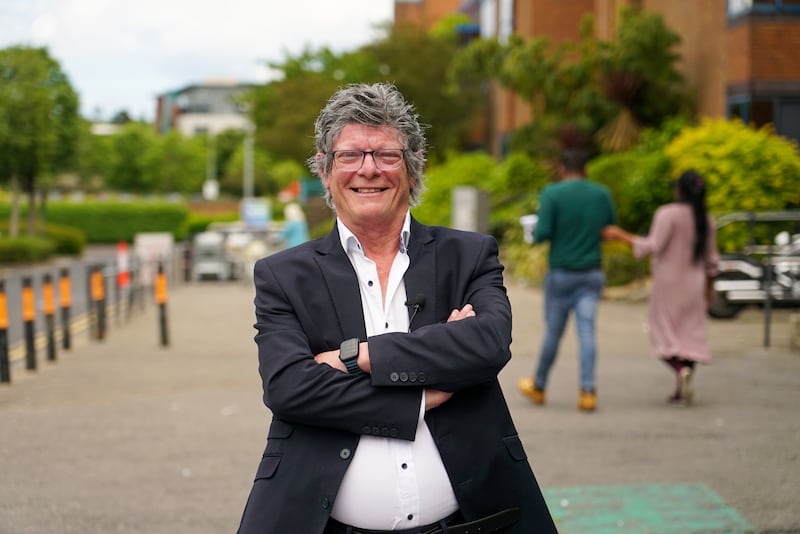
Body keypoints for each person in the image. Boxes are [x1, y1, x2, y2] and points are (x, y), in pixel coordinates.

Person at [237, 83, 557, 534]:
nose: (368, 169)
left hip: (474, 522)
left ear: (413, 167)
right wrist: (421, 395)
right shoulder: (283, 274)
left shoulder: (469, 255)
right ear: (325, 170)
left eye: (387, 154)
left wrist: (356, 357)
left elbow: (487, 345)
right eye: (350, 155)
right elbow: (289, 387)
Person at [602, 170, 719, 405]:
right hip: (695, 285)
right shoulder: (706, 219)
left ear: (679, 190)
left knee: (663, 333)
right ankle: (682, 384)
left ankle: (679, 370)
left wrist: (621, 235)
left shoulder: (667, 214)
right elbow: (712, 261)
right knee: (690, 335)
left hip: (669, 285)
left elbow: (653, 245)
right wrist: (709, 290)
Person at [517, 148, 616, 412]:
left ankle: (539, 386)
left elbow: (542, 233)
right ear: (586, 169)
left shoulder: (552, 193)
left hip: (561, 273)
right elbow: (608, 229)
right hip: (591, 273)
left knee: (553, 331)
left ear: (562, 169)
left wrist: (536, 230)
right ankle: (587, 392)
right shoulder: (601, 194)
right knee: (587, 332)